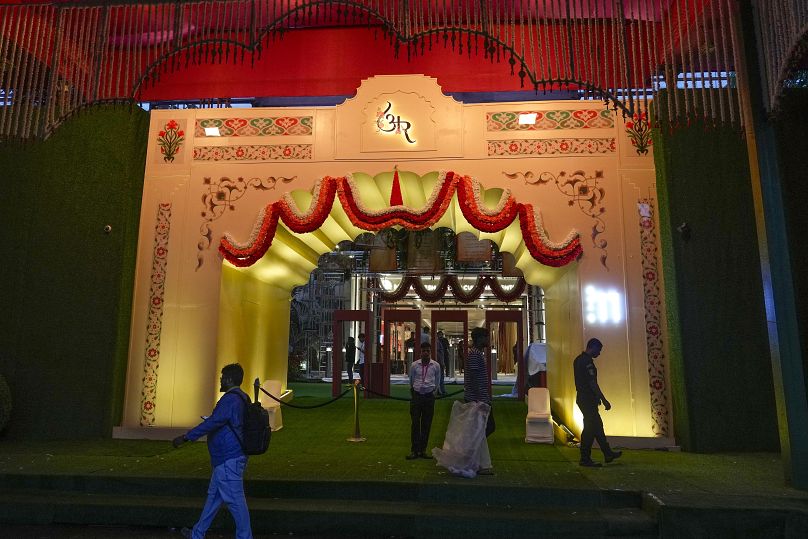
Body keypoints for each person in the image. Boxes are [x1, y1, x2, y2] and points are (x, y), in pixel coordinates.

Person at [172, 363, 253, 539]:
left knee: (236, 503)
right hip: (229, 457)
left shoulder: (230, 400)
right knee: (214, 498)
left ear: (229, 379)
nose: (220, 380)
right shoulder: (241, 397)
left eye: (223, 377)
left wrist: (187, 437)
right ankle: (197, 533)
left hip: (227, 459)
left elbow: (214, 422)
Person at [573, 338, 623, 467]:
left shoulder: (578, 360)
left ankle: (607, 453)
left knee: (596, 426)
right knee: (590, 429)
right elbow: (592, 383)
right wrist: (604, 399)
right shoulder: (587, 362)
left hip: (582, 398)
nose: (599, 353)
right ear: (593, 347)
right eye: (598, 350)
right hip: (588, 399)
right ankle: (585, 458)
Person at [464, 326, 494, 474]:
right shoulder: (475, 355)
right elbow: (475, 378)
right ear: (480, 339)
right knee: (483, 429)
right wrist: (478, 399)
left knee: (482, 430)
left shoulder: (477, 354)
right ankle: (475, 459)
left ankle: (475, 458)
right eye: (486, 337)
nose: (488, 340)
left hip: (479, 397)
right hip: (477, 399)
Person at [406, 342, 441, 460]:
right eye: (423, 351)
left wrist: (434, 392)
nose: (426, 353)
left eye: (428, 351)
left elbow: (437, 380)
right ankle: (414, 450)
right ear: (420, 352)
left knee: (426, 424)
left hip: (429, 397)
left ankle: (423, 450)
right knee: (415, 424)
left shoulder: (435, 366)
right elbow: (411, 381)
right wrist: (414, 393)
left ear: (430, 352)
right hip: (417, 396)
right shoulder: (414, 365)